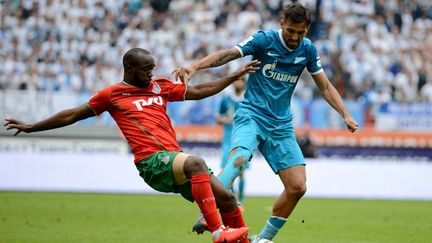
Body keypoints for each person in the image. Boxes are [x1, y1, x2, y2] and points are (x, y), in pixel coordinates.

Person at [4, 48, 260, 243]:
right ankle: (217, 232)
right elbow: (71, 114)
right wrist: (31, 127)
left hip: (172, 158)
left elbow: (200, 90)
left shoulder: (158, 86)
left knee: (227, 198)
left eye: (152, 68)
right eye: (146, 69)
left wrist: (235, 75)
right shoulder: (111, 95)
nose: (151, 73)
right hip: (152, 162)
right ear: (129, 68)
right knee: (197, 163)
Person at [173, 2, 358, 242]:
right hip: (251, 114)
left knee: (298, 187)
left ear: (307, 29)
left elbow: (324, 86)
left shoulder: (308, 50)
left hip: (281, 125)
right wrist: (196, 65)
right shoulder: (264, 40)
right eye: (290, 31)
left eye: (300, 33)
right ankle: (208, 212)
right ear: (282, 24)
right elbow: (229, 53)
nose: (294, 37)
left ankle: (264, 239)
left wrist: (345, 113)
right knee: (239, 161)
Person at [217, 77, 248, 203]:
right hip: (228, 140)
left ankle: (241, 198)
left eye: (241, 80)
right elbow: (218, 119)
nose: (238, 82)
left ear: (244, 83)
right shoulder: (226, 100)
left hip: (242, 140)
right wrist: (226, 120)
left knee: (241, 170)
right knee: (227, 169)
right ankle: (233, 197)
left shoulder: (247, 100)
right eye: (236, 80)